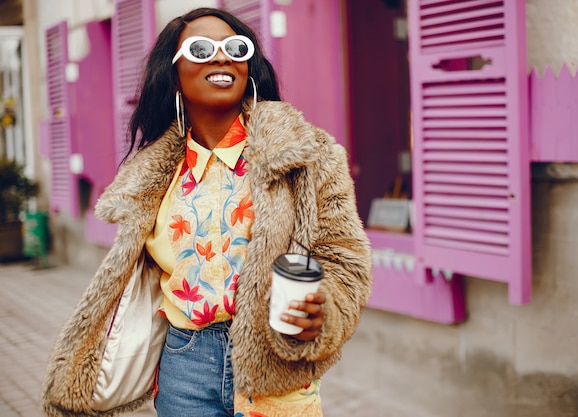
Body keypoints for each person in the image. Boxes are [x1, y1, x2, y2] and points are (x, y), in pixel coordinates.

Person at [41, 7, 372, 417]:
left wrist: (325, 309)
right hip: (184, 364)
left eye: (235, 47)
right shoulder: (150, 177)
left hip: (276, 365)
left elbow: (345, 257)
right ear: (173, 73)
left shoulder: (308, 156)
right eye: (201, 49)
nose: (221, 57)